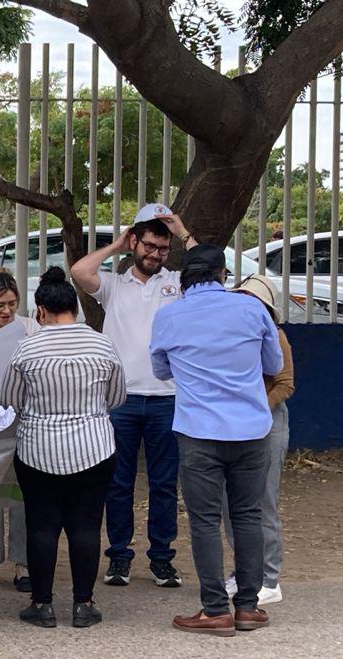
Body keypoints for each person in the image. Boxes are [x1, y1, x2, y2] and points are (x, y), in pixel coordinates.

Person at [150, 244, 283, 637]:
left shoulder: (169, 316)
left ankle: (213, 609)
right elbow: (273, 365)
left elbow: (160, 370)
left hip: (199, 432)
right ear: (223, 275)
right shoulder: (252, 309)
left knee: (205, 521)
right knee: (247, 516)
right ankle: (247, 606)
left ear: (182, 279)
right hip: (251, 431)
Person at [0, 269, 126, 629]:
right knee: (86, 527)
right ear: (75, 309)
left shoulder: (27, 348)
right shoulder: (102, 344)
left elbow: (9, 400)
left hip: (38, 450)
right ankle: (84, 604)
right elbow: (116, 397)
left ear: (41, 310)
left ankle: (42, 605)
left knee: (42, 527)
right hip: (94, 448)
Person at [70, 203, 196, 590]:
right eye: (149, 246)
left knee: (163, 484)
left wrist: (182, 230)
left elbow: (213, 272)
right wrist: (115, 246)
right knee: (118, 483)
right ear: (135, 243)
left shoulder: (177, 281)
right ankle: (119, 558)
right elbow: (79, 272)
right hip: (120, 401)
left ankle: (161, 559)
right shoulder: (113, 284)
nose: (155, 254)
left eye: (162, 247)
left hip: (166, 398)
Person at [225, 275, 295, 606]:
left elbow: (285, 384)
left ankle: (269, 577)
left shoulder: (277, 337)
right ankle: (243, 572)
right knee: (229, 502)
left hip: (267, 423)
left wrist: (255, 408)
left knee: (262, 501)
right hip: (235, 424)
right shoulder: (232, 339)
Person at [0, 268, 37, 593]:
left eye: (12, 303)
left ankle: (23, 563)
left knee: (21, 497)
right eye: (0, 304)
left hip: (21, 423)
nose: (6, 311)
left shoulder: (28, 329)